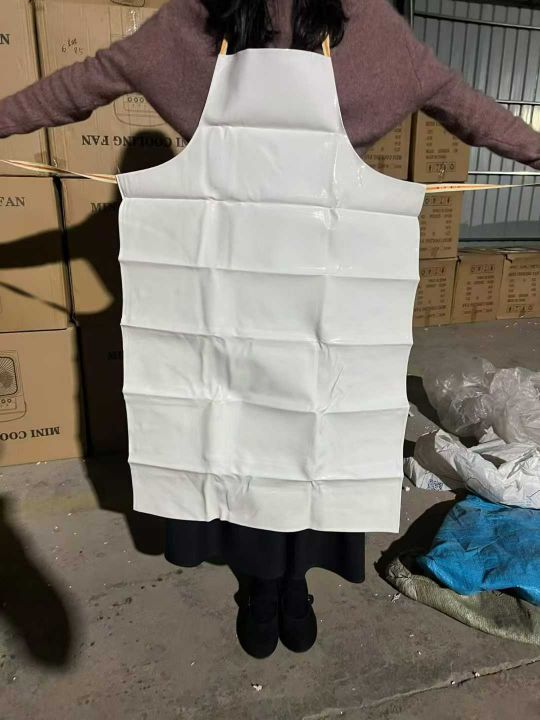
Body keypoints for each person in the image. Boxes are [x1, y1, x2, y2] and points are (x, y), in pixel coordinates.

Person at [1, 0, 538, 660]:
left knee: (313, 451)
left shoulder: (355, 26)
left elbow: (461, 105)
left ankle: (291, 583)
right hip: (224, 300)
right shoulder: (201, 23)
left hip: (325, 304)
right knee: (239, 446)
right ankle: (263, 584)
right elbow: (82, 86)